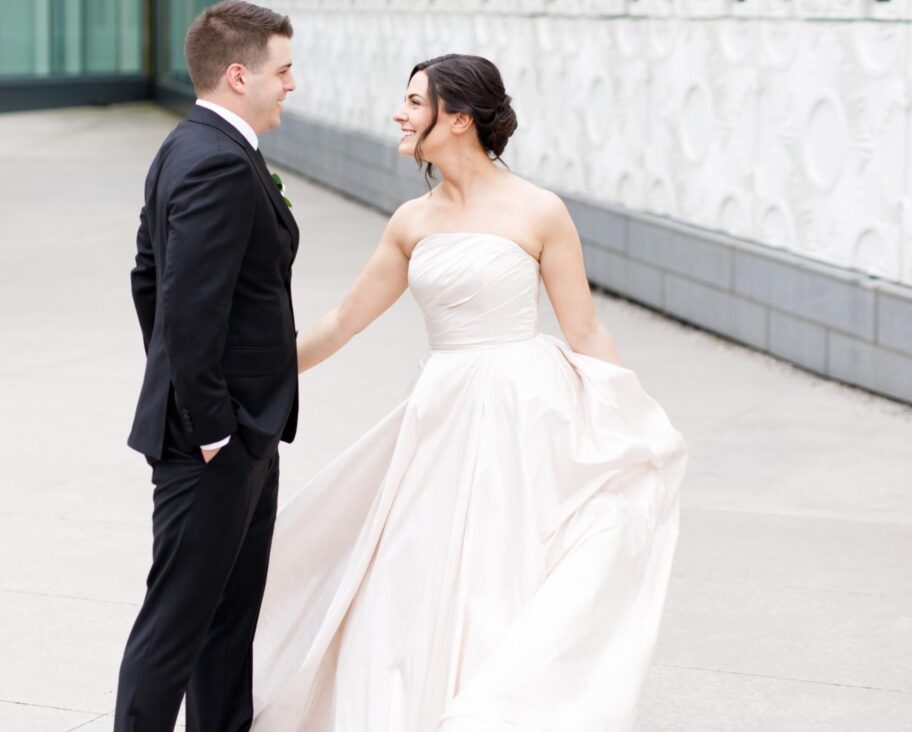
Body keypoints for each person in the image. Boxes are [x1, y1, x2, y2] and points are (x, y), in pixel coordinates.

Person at [250, 54, 688, 731]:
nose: (400, 112)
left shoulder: (539, 211)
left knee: (508, 570)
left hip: (526, 413)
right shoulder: (410, 221)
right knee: (416, 572)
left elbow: (586, 329)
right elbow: (341, 323)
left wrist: (627, 418)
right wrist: (245, 375)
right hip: (442, 413)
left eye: (415, 101)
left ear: (458, 119)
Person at [114, 3, 299, 730]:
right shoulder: (217, 160)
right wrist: (211, 423)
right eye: (282, 70)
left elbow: (146, 278)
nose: (291, 84)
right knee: (176, 627)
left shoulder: (188, 145)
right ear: (237, 74)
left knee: (226, 624)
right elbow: (184, 308)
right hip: (216, 441)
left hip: (242, 432)